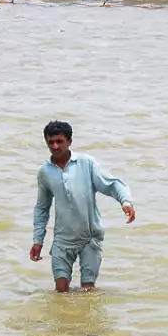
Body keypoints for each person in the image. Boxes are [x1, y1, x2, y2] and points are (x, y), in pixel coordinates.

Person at [31, 120, 135, 293]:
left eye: (59, 141)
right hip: (62, 240)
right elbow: (42, 209)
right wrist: (37, 241)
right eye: (51, 142)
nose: (55, 146)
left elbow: (110, 184)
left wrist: (125, 202)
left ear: (69, 141)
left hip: (90, 237)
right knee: (61, 292)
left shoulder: (86, 163)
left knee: (88, 291)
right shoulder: (45, 172)